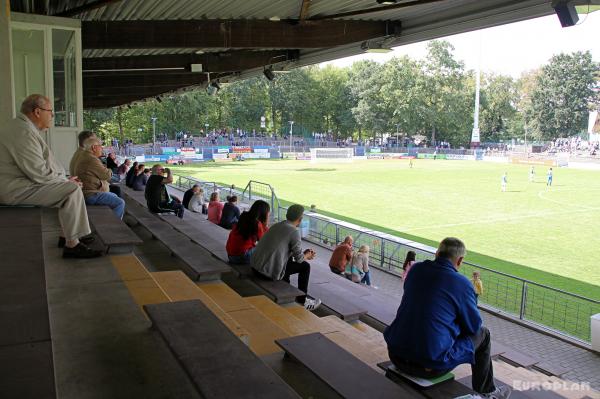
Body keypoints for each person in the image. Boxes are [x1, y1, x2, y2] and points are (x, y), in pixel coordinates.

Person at [384, 238, 511, 399]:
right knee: (483, 335)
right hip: (427, 366)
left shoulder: (416, 270)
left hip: (395, 354)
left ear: (437, 253)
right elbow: (474, 327)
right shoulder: (462, 283)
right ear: (460, 260)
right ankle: (487, 392)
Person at [0, 94, 101, 258]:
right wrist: (64, 181)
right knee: (71, 190)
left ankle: (67, 235)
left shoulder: (22, 128)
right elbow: (38, 172)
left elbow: (40, 168)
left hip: (19, 184)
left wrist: (63, 180)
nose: (52, 116)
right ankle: (72, 244)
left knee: (69, 187)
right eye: (50, 111)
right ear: (37, 112)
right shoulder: (22, 133)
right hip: (14, 190)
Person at [251, 204, 321, 311]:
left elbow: (283, 250)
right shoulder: (294, 231)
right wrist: (307, 255)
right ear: (300, 219)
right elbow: (299, 259)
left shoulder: (277, 225)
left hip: (255, 266)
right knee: (305, 266)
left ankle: (288, 288)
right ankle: (303, 301)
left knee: (288, 262)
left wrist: (302, 254)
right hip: (266, 272)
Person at [75, 136, 126, 219]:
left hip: (88, 192)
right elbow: (107, 175)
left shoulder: (86, 157)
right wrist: (108, 169)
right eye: (100, 146)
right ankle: (114, 225)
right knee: (120, 203)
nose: (102, 149)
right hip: (91, 194)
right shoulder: (91, 159)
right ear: (94, 147)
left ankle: (111, 219)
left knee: (115, 195)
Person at [226, 200, 270, 264]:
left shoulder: (244, 216)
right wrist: (265, 224)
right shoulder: (257, 224)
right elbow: (264, 240)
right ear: (264, 213)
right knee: (266, 248)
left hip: (230, 255)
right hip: (241, 257)